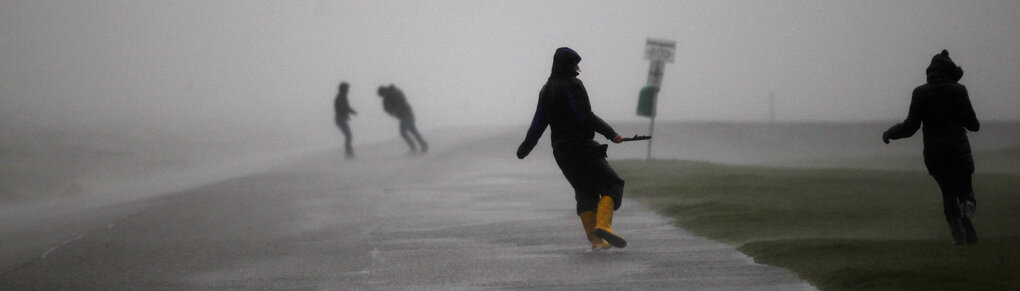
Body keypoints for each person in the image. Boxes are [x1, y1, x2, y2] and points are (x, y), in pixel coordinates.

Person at [517, 47, 628, 250]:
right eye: (576, 63)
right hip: (582, 147)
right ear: (569, 65)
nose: (578, 67)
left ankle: (596, 240)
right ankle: (604, 227)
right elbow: (585, 116)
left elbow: (538, 123)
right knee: (613, 184)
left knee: (585, 191)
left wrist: (525, 148)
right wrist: (611, 134)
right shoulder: (573, 86)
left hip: (561, 151)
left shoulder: (546, 89)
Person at [883, 49, 980, 245]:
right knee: (965, 190)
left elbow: (910, 127)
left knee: (947, 192)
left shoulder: (920, 93)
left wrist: (890, 133)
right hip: (958, 150)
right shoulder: (958, 90)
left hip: (935, 153)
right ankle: (966, 211)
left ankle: (958, 236)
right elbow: (973, 125)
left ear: (930, 72)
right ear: (951, 71)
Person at [378, 84, 428, 153]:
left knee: (403, 132)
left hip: (405, 114)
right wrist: (392, 112)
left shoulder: (393, 94)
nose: (382, 97)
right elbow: (388, 107)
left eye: (382, 95)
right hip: (406, 114)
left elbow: (400, 103)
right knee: (412, 130)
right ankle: (422, 144)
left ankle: (414, 146)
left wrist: (395, 111)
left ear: (384, 92)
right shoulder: (392, 94)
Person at [334, 82, 357, 158]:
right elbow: (343, 107)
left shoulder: (342, 97)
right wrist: (351, 111)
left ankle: (349, 153)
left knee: (348, 136)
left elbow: (344, 107)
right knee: (348, 136)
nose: (348, 91)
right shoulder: (341, 97)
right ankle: (349, 154)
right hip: (340, 119)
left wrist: (349, 112)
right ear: (344, 90)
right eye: (347, 89)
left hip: (341, 119)